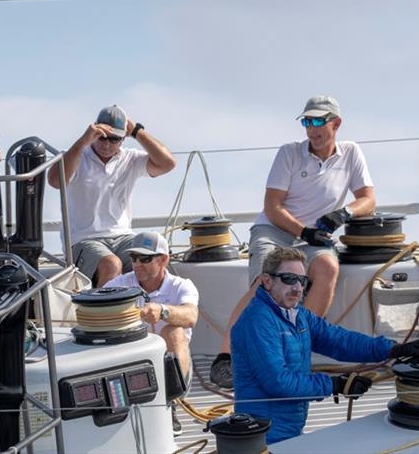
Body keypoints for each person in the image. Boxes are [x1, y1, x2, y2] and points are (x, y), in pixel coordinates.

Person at [211, 94, 376, 388]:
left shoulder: (351, 153)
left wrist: (343, 214)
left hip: (316, 238)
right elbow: (273, 207)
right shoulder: (289, 152)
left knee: (328, 269)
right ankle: (226, 358)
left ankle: (294, 351)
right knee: (264, 283)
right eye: (306, 122)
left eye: (317, 121)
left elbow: (368, 199)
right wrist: (304, 232)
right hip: (276, 231)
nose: (311, 129)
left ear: (336, 123)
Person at [231, 247, 419, 444]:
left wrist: (395, 349)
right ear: (267, 281)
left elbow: (339, 340)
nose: (297, 288)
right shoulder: (258, 321)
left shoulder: (297, 315)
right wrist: (334, 385)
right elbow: (279, 382)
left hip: (287, 431)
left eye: (303, 281)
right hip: (263, 436)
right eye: (289, 279)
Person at [47, 105, 176, 286]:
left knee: (151, 260)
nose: (106, 144)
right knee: (111, 265)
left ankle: (149, 312)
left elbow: (167, 163)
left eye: (114, 139)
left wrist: (138, 132)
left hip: (123, 236)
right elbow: (55, 181)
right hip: (83, 239)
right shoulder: (77, 156)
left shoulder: (131, 159)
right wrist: (83, 141)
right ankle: (104, 315)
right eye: (102, 136)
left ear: (124, 138)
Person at [103, 231, 199, 434]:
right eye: (133, 258)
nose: (137, 264)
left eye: (145, 258)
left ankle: (170, 403)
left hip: (169, 366)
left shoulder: (182, 286)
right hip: (131, 359)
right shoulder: (119, 285)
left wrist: (163, 311)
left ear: (164, 259)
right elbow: (98, 304)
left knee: (174, 331)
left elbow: (191, 316)